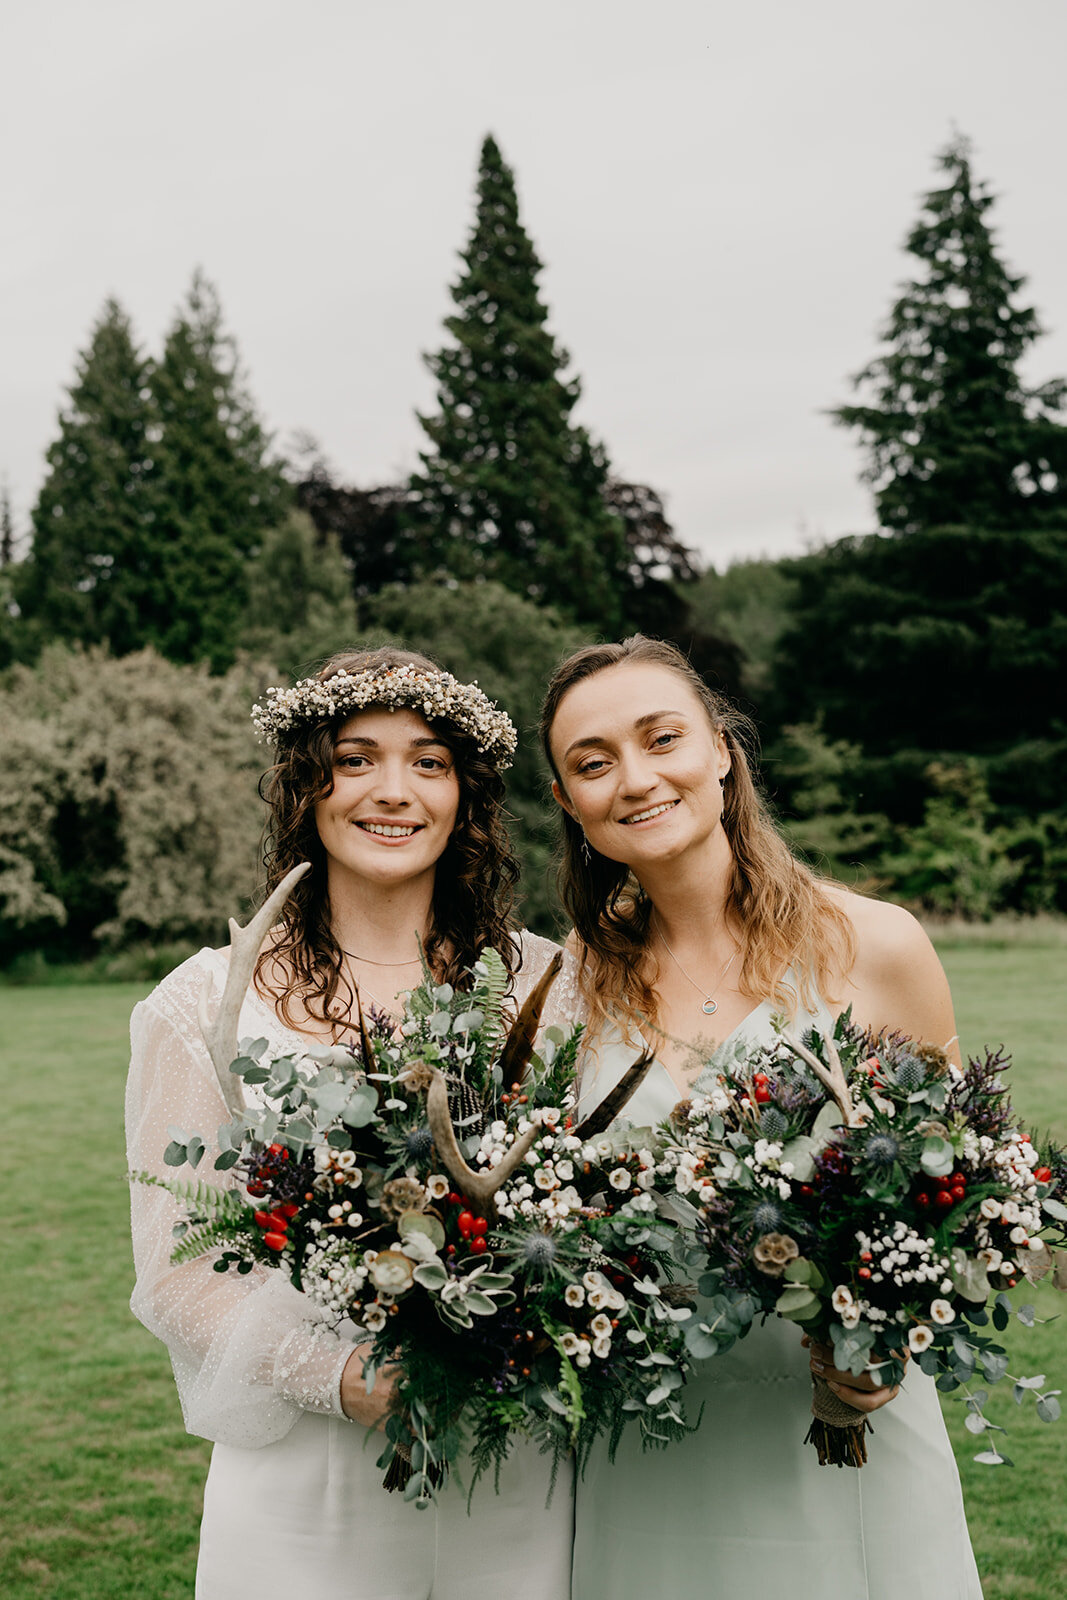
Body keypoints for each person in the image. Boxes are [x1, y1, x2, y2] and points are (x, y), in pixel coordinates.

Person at [126, 647, 575, 1600]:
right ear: (305, 784)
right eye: (356, 756)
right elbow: (178, 1274)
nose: (392, 791)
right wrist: (345, 1379)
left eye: (428, 762)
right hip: (306, 1486)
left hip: (514, 1466)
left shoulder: (547, 987)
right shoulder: (205, 1001)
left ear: (465, 796)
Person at [539, 636, 982, 1600]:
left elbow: (963, 1185)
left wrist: (882, 1342)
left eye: (663, 739)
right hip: (655, 1444)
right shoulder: (565, 985)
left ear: (722, 751)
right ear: (571, 803)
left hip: (846, 1440)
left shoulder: (871, 945)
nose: (636, 778)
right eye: (592, 762)